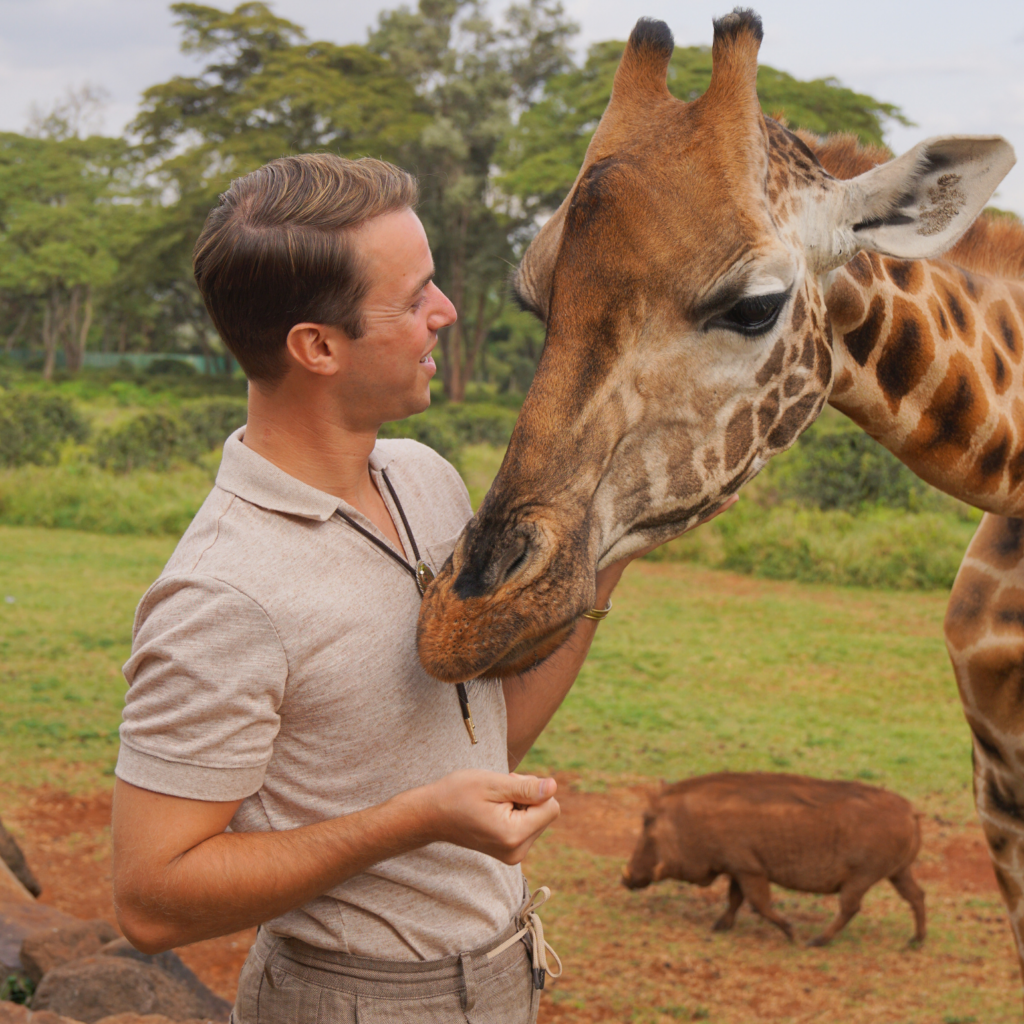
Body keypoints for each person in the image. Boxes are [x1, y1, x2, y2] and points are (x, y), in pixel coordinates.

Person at [110, 153, 730, 1023]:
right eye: (414, 299)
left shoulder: (422, 478)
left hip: (504, 974)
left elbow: (486, 740)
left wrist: (614, 547)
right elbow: (149, 900)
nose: (446, 313)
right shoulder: (224, 593)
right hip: (353, 1000)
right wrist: (414, 820)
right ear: (316, 347)